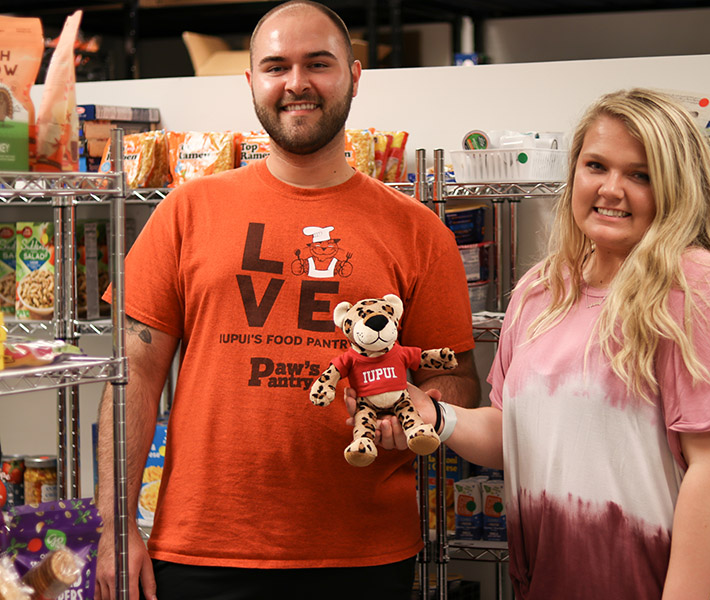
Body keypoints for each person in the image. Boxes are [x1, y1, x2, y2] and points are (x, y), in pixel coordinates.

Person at [93, 2, 480, 599]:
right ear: (251, 83)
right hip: (204, 549)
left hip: (364, 555)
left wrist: (419, 409)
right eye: (276, 66)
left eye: (317, 64)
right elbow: (134, 377)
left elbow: (456, 381)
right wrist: (115, 526)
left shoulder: (419, 231)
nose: (296, 82)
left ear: (353, 76)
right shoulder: (186, 212)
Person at [402, 88, 710, 599]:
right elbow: (514, 433)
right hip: (564, 572)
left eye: (640, 174)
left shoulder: (696, 287)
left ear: (677, 187)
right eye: (596, 166)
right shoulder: (543, 288)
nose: (611, 189)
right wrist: (435, 417)